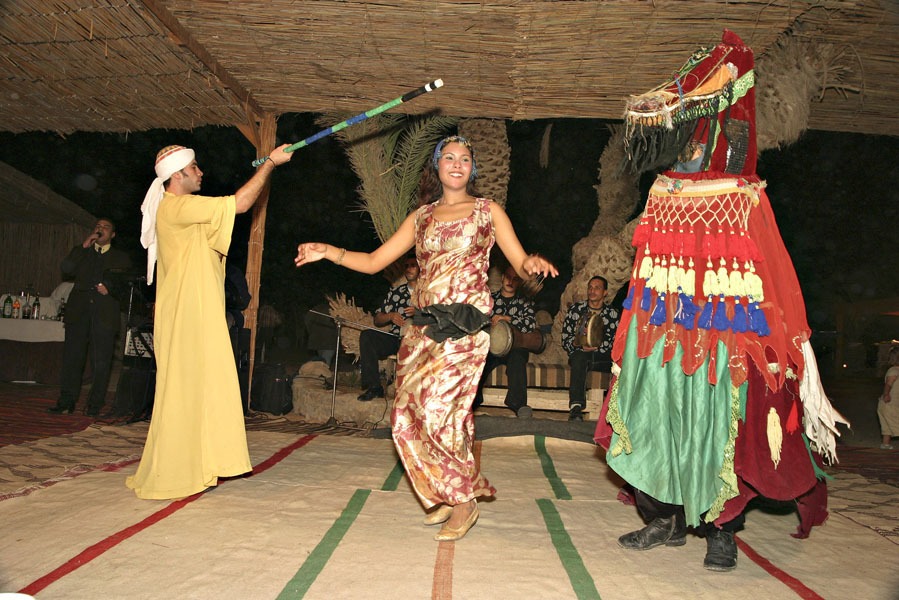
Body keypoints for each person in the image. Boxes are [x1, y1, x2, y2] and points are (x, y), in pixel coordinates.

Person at [596, 31, 846, 572]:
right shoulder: (661, 192)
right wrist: (631, 334)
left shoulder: (743, 195)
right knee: (652, 414)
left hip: (723, 331)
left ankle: (721, 530)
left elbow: (770, 272)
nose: (688, 143)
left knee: (718, 423)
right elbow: (644, 270)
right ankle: (662, 519)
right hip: (661, 327)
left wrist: (783, 341)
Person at [294, 135, 557, 541]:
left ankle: (463, 501)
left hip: (465, 329)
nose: (457, 164)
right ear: (437, 166)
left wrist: (530, 263)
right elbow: (374, 261)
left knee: (440, 412)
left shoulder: (488, 211)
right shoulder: (421, 218)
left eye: (465, 158)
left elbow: (519, 261)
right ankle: (448, 491)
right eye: (449, 157)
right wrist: (329, 251)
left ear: (472, 168)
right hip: (423, 330)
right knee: (404, 415)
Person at [126, 142, 293, 500]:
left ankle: (201, 462)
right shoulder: (178, 207)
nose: (200, 172)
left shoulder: (184, 209)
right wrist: (270, 164)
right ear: (177, 175)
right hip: (186, 314)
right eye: (194, 168)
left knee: (204, 387)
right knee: (184, 391)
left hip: (196, 311)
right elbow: (241, 203)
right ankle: (175, 471)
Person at [49, 218, 132, 417]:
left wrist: (110, 289)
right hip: (78, 313)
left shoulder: (121, 258)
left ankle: (94, 405)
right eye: (98, 226)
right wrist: (84, 245)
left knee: (101, 362)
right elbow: (67, 268)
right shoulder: (82, 251)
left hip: (104, 315)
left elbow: (127, 287)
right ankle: (66, 402)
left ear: (112, 235)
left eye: (105, 227)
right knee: (72, 359)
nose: (100, 229)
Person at [474, 264, 538, 417]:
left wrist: (507, 318)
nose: (510, 281)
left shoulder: (524, 302)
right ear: (502, 278)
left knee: (518, 359)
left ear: (519, 283)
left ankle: (518, 404)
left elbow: (530, 324)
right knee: (479, 360)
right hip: (492, 347)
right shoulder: (490, 299)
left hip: (515, 347)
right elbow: (478, 321)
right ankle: (474, 401)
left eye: (515, 279)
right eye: (508, 277)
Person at [357, 254, 420, 401]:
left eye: (413, 265)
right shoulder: (396, 292)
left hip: (421, 340)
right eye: (406, 266)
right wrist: (390, 316)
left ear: (421, 268)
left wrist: (419, 313)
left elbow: (439, 315)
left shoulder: (428, 291)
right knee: (367, 336)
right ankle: (374, 387)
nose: (409, 269)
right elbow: (377, 319)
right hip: (396, 339)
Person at [560, 275, 619, 422]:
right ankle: (576, 407)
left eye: (597, 288)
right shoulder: (576, 310)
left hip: (602, 357)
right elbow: (565, 339)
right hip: (581, 354)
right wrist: (579, 345)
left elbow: (615, 342)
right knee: (578, 358)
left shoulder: (612, 314)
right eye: (590, 288)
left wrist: (596, 345)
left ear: (605, 292)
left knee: (620, 365)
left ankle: (618, 412)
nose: (592, 291)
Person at [878, 346, 899, 450]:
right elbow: (888, 384)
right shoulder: (894, 371)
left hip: (889, 404)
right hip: (889, 404)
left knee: (887, 427)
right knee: (895, 424)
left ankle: (885, 444)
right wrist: (886, 394)